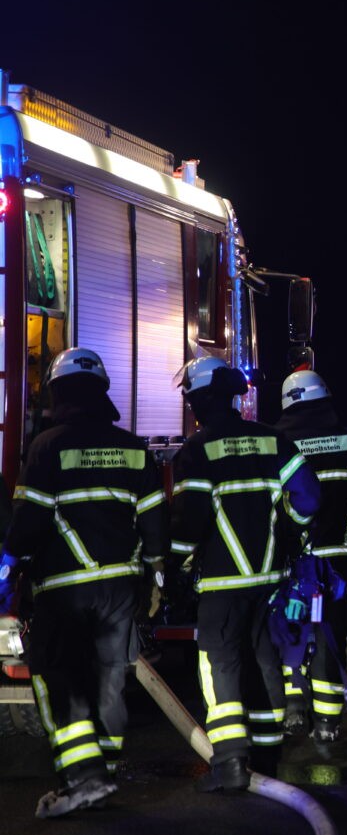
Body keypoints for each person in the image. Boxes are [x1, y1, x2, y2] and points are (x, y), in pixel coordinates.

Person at [0, 349, 165, 816]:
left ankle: (82, 776)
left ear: (57, 392)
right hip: (120, 587)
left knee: (58, 675)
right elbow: (154, 521)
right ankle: (104, 773)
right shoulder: (134, 448)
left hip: (65, 586)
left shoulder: (48, 447)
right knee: (110, 676)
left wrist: (10, 565)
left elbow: (29, 521)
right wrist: (155, 573)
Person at [169, 356, 321, 792]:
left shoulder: (197, 450)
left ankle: (232, 764)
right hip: (269, 581)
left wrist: (174, 570)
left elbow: (190, 522)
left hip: (220, 585)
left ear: (199, 400)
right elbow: (309, 497)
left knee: (221, 666)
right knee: (265, 664)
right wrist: (290, 529)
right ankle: (267, 761)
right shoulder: (273, 440)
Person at [272, 369, 347, 743]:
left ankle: (294, 711)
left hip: (293, 556)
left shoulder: (278, 441)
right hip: (339, 555)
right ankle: (328, 723)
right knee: (332, 631)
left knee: (290, 627)